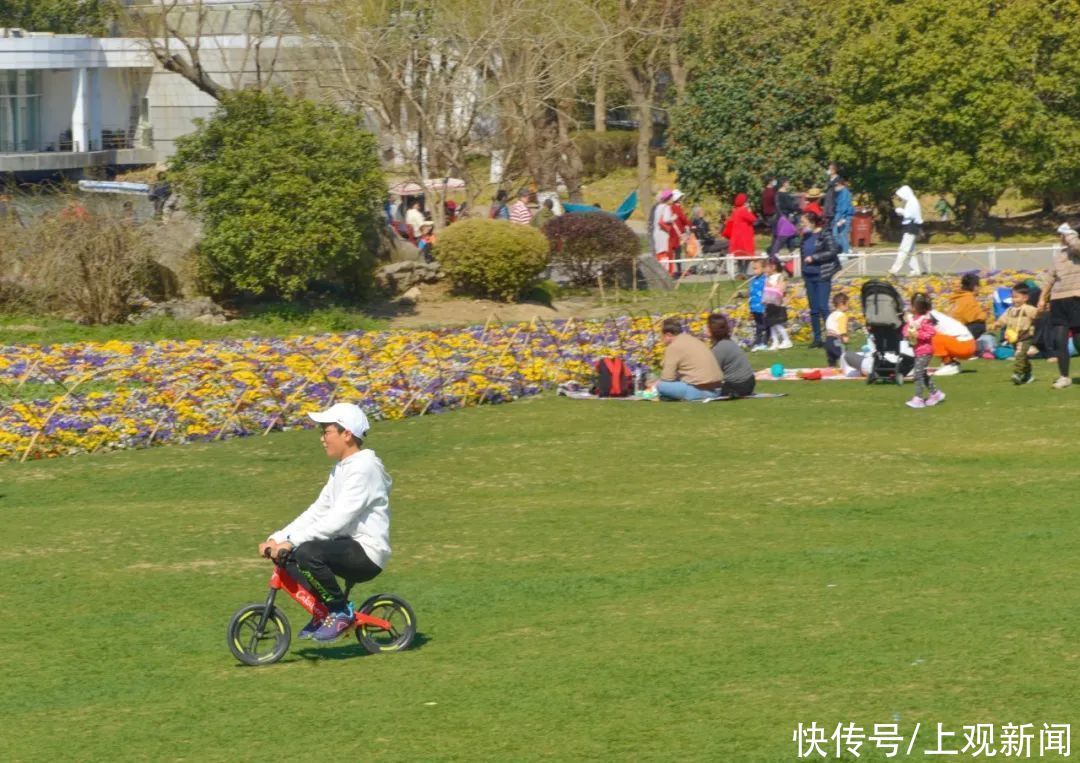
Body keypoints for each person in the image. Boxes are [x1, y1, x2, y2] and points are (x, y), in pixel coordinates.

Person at [258, 403, 392, 642]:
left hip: (367, 553)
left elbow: (338, 520)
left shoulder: (364, 468)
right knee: (288, 556)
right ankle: (324, 613)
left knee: (308, 551)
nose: (322, 438)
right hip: (345, 545)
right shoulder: (341, 469)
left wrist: (292, 541)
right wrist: (279, 537)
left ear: (347, 434)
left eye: (326, 431)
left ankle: (340, 611)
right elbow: (318, 511)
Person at [1036, 223, 1080, 389]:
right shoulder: (1058, 255)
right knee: (1059, 340)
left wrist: (1069, 232)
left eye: (1062, 235)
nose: (1061, 238)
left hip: (1076, 297)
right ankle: (1064, 376)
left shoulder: (1077, 250)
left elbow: (1076, 245)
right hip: (1058, 299)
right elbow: (1050, 278)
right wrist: (1042, 298)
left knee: (1078, 339)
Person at [655, 317, 724, 401]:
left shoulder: (673, 346)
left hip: (700, 390)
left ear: (668, 335)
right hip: (718, 389)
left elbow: (667, 378)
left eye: (661, 336)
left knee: (660, 385)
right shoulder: (692, 340)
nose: (661, 339)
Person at [800, 211, 841, 348]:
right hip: (809, 275)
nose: (802, 226)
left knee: (823, 306)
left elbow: (833, 250)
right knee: (814, 309)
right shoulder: (805, 236)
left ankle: (832, 337)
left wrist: (815, 258)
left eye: (804, 223)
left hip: (822, 274)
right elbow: (802, 251)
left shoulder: (824, 234)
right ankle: (817, 338)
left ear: (812, 223)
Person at [987, 281, 1039, 384]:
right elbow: (1003, 319)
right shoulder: (1010, 310)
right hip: (1014, 337)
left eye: (1016, 297)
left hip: (1025, 336)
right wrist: (997, 324)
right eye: (1013, 297)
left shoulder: (1028, 309)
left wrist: (1041, 311)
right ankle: (1028, 375)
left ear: (1025, 298)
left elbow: (1037, 314)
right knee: (1022, 356)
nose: (1014, 299)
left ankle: (1017, 374)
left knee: (1019, 355)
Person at [905, 292, 945, 408]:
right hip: (918, 351)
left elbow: (931, 333)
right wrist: (907, 333)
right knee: (922, 374)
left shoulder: (925, 320)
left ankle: (919, 398)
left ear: (915, 307)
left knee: (918, 375)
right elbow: (906, 328)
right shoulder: (913, 319)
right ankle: (935, 393)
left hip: (925, 351)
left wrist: (918, 334)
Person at [707, 312, 756, 397]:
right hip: (749, 382)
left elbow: (712, 373)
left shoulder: (720, 348)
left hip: (738, 385)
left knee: (704, 391)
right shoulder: (729, 342)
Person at [888, 185, 925, 276]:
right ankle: (915, 271)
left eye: (901, 196)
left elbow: (912, 215)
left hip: (911, 227)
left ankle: (894, 269)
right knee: (910, 251)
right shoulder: (910, 201)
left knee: (903, 249)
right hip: (909, 227)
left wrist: (901, 211)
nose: (900, 198)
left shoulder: (913, 202)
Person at [928, 308, 976, 375]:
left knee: (933, 337)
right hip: (969, 344)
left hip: (964, 346)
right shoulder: (936, 314)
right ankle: (952, 363)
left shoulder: (929, 316)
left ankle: (949, 364)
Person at [722, 193, 757, 277]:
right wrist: (749, 211)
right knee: (747, 255)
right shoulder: (743, 211)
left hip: (736, 237)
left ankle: (740, 271)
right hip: (744, 237)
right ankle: (743, 272)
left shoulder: (735, 210)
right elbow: (753, 219)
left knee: (739, 256)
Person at [946, 273, 988, 339]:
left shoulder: (958, 296)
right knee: (981, 325)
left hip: (948, 329)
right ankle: (966, 343)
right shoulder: (969, 298)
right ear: (975, 287)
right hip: (956, 332)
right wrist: (985, 313)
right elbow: (978, 318)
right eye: (978, 286)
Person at [763, 257, 792, 349]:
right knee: (771, 324)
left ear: (774, 266)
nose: (765, 269)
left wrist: (771, 286)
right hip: (769, 303)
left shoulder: (780, 276)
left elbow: (781, 289)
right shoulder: (768, 278)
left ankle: (786, 340)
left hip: (778, 304)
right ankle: (775, 341)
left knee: (777, 323)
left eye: (766, 267)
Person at [653, 190, 676, 275]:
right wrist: (673, 218)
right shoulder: (666, 207)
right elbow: (666, 219)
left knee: (659, 253)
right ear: (668, 198)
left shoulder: (658, 207)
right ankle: (665, 273)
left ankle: (659, 272)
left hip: (657, 233)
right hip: (663, 233)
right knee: (665, 253)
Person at [747, 258, 769, 351]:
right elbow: (751, 294)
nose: (755, 271)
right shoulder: (753, 280)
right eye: (754, 269)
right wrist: (751, 307)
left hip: (762, 307)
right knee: (758, 326)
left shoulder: (765, 280)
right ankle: (758, 341)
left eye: (756, 268)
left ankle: (764, 342)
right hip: (755, 307)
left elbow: (767, 294)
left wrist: (766, 307)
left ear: (763, 269)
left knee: (765, 325)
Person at [825, 293, 850, 368]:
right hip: (836, 340)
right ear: (842, 304)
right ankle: (848, 369)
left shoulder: (831, 315)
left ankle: (831, 368)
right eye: (847, 304)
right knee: (843, 355)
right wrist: (844, 337)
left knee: (831, 358)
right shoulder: (842, 315)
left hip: (828, 340)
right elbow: (842, 328)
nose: (848, 306)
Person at [832, 176, 854, 257]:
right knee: (838, 234)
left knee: (841, 234)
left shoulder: (845, 193)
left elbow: (844, 206)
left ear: (840, 184)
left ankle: (845, 252)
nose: (834, 187)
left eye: (835, 185)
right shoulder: (840, 193)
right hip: (839, 215)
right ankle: (846, 249)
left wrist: (842, 219)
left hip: (843, 216)